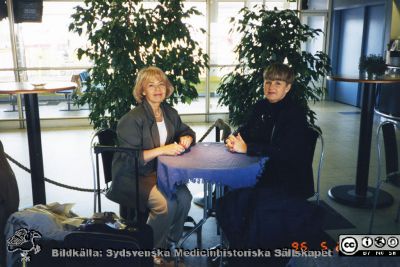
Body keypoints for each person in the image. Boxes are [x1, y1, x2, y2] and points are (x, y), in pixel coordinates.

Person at [217, 63, 322, 266]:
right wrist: (234, 138)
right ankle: (243, 251)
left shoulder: (294, 114)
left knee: (235, 205)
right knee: (225, 202)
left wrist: (248, 148)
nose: (271, 87)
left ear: (288, 87)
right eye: (267, 82)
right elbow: (246, 130)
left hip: (286, 179)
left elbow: (285, 152)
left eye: (277, 82)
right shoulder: (261, 106)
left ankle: (248, 255)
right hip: (263, 172)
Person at [106, 66, 194, 253]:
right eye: (151, 85)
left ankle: (170, 243)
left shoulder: (169, 112)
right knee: (165, 204)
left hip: (160, 173)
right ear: (142, 90)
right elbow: (131, 159)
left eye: (161, 84)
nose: (157, 89)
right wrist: (164, 149)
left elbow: (185, 130)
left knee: (185, 198)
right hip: (133, 176)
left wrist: (187, 137)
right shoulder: (131, 119)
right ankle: (150, 249)